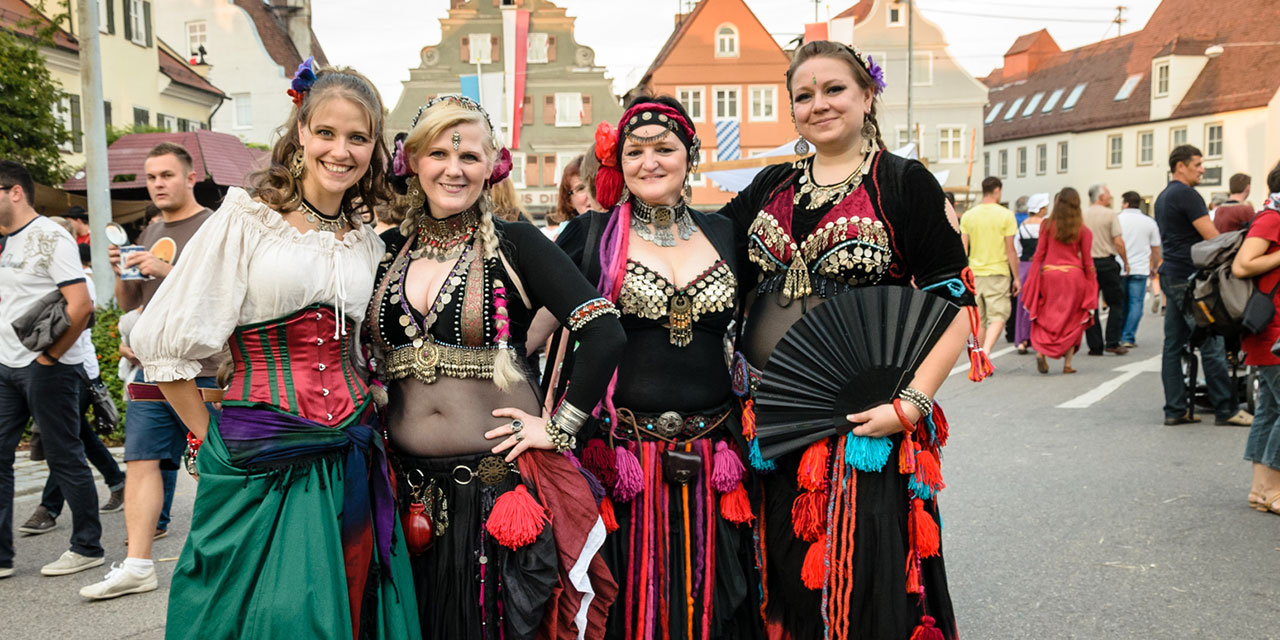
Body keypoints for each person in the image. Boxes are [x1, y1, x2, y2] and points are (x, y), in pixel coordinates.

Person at [96, 61, 423, 638]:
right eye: (326, 133)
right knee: (270, 615)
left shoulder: (367, 243)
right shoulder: (247, 219)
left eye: (357, 138)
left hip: (349, 449)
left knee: (346, 606)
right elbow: (166, 342)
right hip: (259, 453)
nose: (340, 150)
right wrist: (210, 440)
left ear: (374, 147)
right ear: (301, 131)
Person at [721, 41, 976, 639]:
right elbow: (700, 248)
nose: (820, 104)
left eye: (834, 89)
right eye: (803, 95)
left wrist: (909, 405)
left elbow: (956, 307)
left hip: (866, 422)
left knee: (862, 581)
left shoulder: (903, 183)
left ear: (867, 95)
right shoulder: (771, 187)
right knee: (779, 574)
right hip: (772, 421)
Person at [372, 94, 623, 639]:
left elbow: (604, 330)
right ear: (412, 161)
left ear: (494, 164)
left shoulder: (519, 244)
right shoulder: (384, 252)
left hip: (500, 491)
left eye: (470, 156)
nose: (454, 169)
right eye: (439, 153)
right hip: (408, 495)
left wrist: (559, 430)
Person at [557, 96, 762, 640]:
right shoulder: (592, 235)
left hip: (717, 453)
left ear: (689, 155)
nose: (649, 162)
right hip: (626, 455)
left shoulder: (725, 233)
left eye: (664, 149)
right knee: (630, 603)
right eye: (635, 152)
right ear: (617, 163)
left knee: (721, 600)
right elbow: (530, 329)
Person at [85, 142, 218, 599]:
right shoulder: (151, 227)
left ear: (190, 176)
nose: (157, 184)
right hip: (149, 369)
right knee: (140, 461)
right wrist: (123, 272)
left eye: (166, 175)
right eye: (151, 177)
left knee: (212, 464)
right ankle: (139, 564)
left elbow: (219, 291)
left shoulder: (213, 226)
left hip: (203, 369)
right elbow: (129, 303)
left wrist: (165, 267)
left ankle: (220, 560)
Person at [0, 160, 103, 580]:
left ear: (15, 192)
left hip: (49, 367)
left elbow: (81, 306)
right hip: (6, 366)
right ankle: (2, 557)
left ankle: (87, 546)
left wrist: (48, 358)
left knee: (64, 456)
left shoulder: (51, 236)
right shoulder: (4, 241)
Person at [21, 244, 127, 536]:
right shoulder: (38, 281)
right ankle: (118, 481)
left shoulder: (81, 281)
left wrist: (53, 361)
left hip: (75, 371)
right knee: (78, 435)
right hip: (56, 370)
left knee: (64, 441)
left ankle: (49, 508)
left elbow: (79, 327)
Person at [1155, 145, 1252, 427]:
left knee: (1173, 345)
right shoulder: (1187, 195)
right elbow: (1211, 237)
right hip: (1189, 278)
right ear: (1181, 166)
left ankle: (1175, 409)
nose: (1202, 169)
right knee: (1211, 339)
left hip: (1171, 273)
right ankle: (1226, 409)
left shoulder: (1164, 196)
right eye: (1197, 164)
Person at [1230, 161, 1280, 515]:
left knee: (1268, 410)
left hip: (1271, 329)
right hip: (1274, 329)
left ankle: (1259, 489)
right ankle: (1274, 490)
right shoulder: (1272, 218)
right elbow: (1242, 265)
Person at [1022, 188, 1098, 375]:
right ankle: (1068, 364)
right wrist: (1092, 282)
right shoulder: (1082, 230)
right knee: (1072, 319)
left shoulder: (1046, 225)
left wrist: (1032, 278)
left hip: (1050, 275)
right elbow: (1087, 261)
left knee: (1046, 315)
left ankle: (1042, 352)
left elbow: (1039, 254)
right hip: (1074, 277)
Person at [961, 176, 1020, 357]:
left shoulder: (968, 215)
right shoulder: (1006, 215)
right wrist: (1016, 277)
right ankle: (985, 351)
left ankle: (978, 351)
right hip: (998, 272)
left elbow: (963, 249)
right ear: (997, 190)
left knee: (980, 320)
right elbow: (1011, 250)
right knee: (999, 316)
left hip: (975, 272)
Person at [1082, 184, 1130, 355]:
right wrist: (1125, 261)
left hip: (1088, 264)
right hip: (1107, 262)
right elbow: (1118, 241)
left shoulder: (1083, 215)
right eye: (1108, 194)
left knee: (1091, 304)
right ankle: (1112, 341)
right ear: (1101, 197)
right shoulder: (1110, 214)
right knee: (1116, 302)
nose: (1110, 197)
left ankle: (1095, 345)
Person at [1116, 191, 1161, 348]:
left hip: (1120, 267)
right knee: (1136, 303)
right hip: (1141, 268)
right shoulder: (1149, 222)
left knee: (1121, 303)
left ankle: (1118, 334)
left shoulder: (1117, 219)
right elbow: (1156, 248)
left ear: (1126, 203)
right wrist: (1154, 266)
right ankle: (1128, 337)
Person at [1014, 192, 1049, 354]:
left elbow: (1017, 249)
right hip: (1042, 266)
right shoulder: (1046, 225)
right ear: (1041, 208)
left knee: (1023, 302)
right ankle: (1039, 337)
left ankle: (1022, 339)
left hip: (1024, 266)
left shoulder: (1023, 226)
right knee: (1042, 302)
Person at [546, 154, 592, 240]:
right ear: (569, 200)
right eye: (581, 188)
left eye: (595, 185)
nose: (590, 194)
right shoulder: (566, 236)